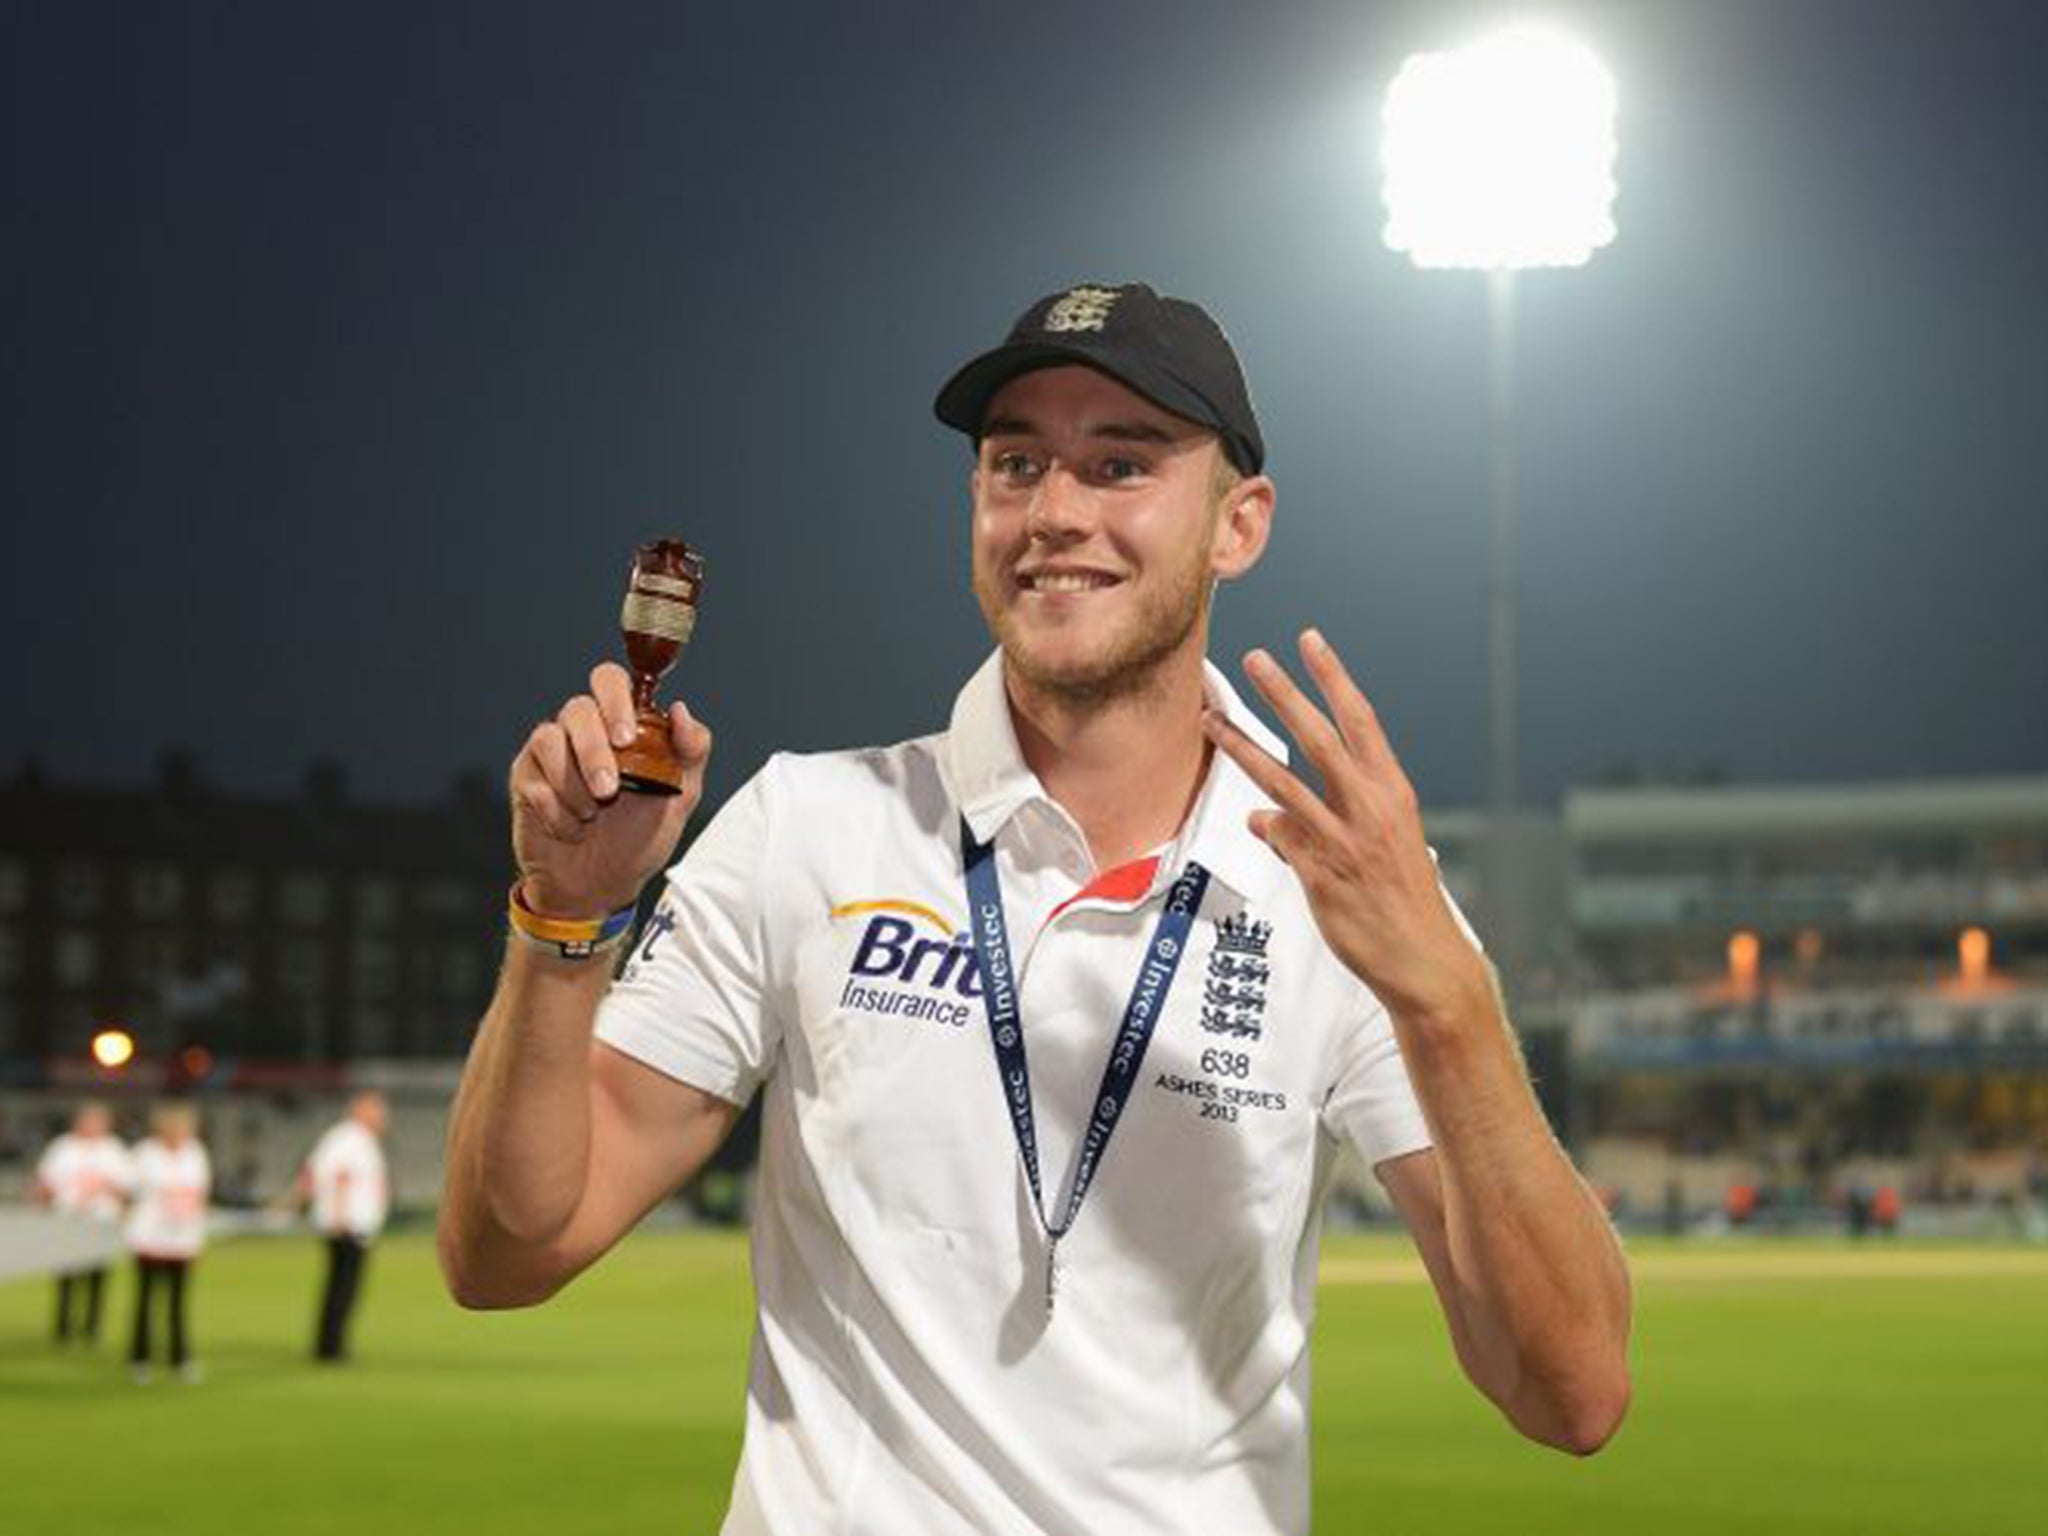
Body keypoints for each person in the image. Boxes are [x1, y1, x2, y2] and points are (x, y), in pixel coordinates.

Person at [440, 282, 1633, 1534]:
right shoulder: (809, 824)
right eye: (1016, 464)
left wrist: (1444, 999)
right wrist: (563, 921)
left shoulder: (1339, 885)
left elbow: (1571, 1393)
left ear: (1238, 526)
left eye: (1119, 465)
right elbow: (506, 1255)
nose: (1054, 513)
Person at [32, 1101, 132, 1347]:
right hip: (68, 1219)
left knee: (97, 1275)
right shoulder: (63, 1147)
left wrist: (118, 1207)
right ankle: (64, 1327)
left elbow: (124, 1186)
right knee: (67, 1274)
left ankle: (91, 1327)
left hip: (100, 1220)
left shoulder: (113, 1149)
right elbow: (45, 1182)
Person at [300, 1091, 390, 1362]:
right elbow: (339, 1178)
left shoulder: (351, 1139)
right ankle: (330, 1346)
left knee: (341, 1287)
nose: (384, 1119)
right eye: (378, 1112)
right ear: (361, 1111)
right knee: (342, 1287)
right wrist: (339, 1218)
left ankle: (331, 1343)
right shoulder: (350, 1139)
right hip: (346, 1226)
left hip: (351, 1225)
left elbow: (311, 1173)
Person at [125, 1101, 211, 1383]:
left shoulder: (195, 1153)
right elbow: (129, 1192)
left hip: (182, 1238)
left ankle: (180, 1357)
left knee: (178, 1302)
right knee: (146, 1300)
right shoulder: (145, 1154)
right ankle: (140, 1357)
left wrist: (196, 1236)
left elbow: (200, 1196)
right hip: (150, 1236)